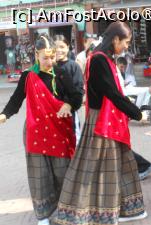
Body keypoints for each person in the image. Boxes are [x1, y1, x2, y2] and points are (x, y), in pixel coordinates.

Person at [53, 21, 147, 225]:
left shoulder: (102, 58)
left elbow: (112, 92)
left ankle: (120, 208)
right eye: (126, 42)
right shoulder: (99, 60)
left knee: (114, 166)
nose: (126, 47)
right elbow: (111, 93)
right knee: (96, 168)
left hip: (106, 119)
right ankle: (85, 211)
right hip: (101, 121)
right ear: (115, 39)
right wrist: (138, 114)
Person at [0, 35, 82, 225]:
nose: (50, 61)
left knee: (63, 172)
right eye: (45, 57)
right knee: (39, 175)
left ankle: (66, 211)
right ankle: (43, 215)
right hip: (35, 132)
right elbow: (16, 100)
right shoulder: (28, 76)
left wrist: (69, 105)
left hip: (59, 131)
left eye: (52, 57)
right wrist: (4, 115)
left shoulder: (61, 73)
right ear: (36, 55)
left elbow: (76, 96)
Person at [116, 56, 151, 180]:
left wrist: (136, 114)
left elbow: (118, 96)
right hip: (111, 115)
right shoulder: (110, 68)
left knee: (119, 147)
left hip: (113, 115)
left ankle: (144, 165)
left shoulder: (114, 71)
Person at [54, 34, 85, 144]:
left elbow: (79, 90)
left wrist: (68, 105)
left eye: (62, 47)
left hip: (69, 113)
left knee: (73, 142)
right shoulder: (49, 67)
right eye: (55, 47)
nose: (58, 50)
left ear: (67, 47)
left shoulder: (74, 66)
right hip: (53, 113)